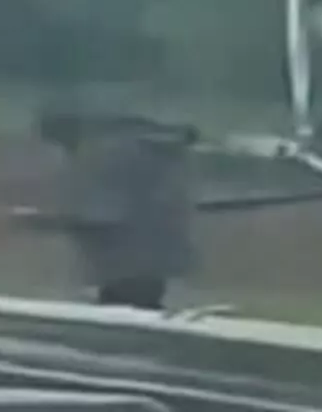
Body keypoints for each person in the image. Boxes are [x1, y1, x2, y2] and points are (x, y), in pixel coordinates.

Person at [19, 107, 199, 311]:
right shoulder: (143, 149)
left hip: (126, 265)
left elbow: (100, 215)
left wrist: (32, 222)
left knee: (127, 313)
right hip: (150, 261)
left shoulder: (103, 156)